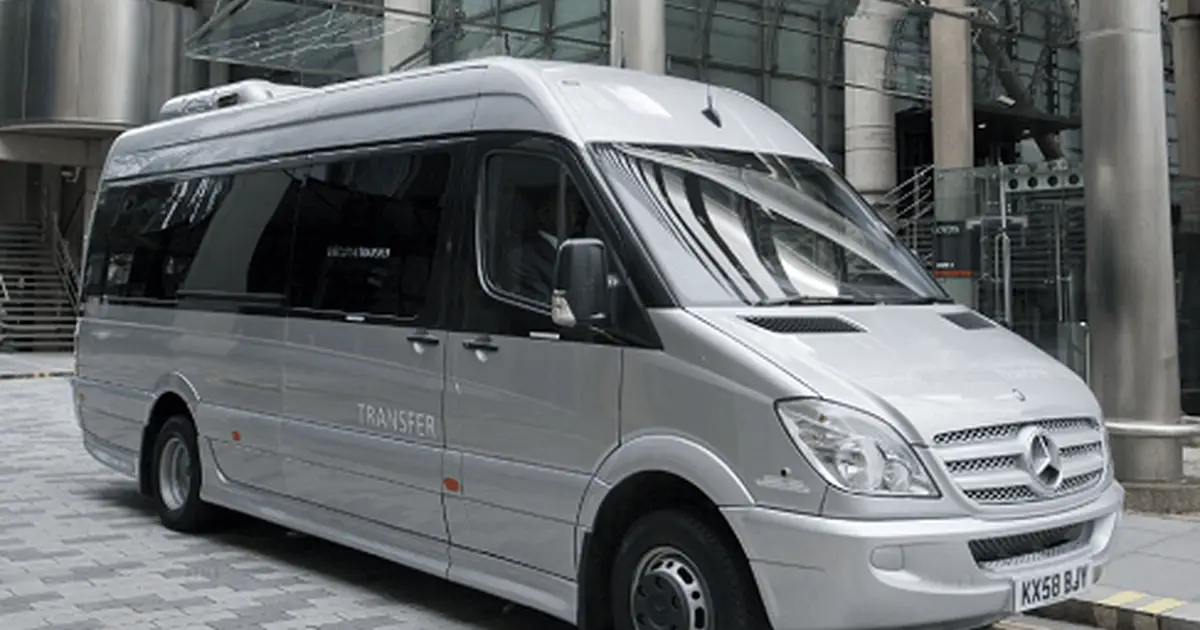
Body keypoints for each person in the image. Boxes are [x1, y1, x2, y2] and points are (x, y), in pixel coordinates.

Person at [503, 184, 587, 305]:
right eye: (568, 204)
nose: (577, 211)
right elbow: (543, 305)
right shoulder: (522, 258)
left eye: (575, 205)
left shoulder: (577, 249)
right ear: (544, 213)